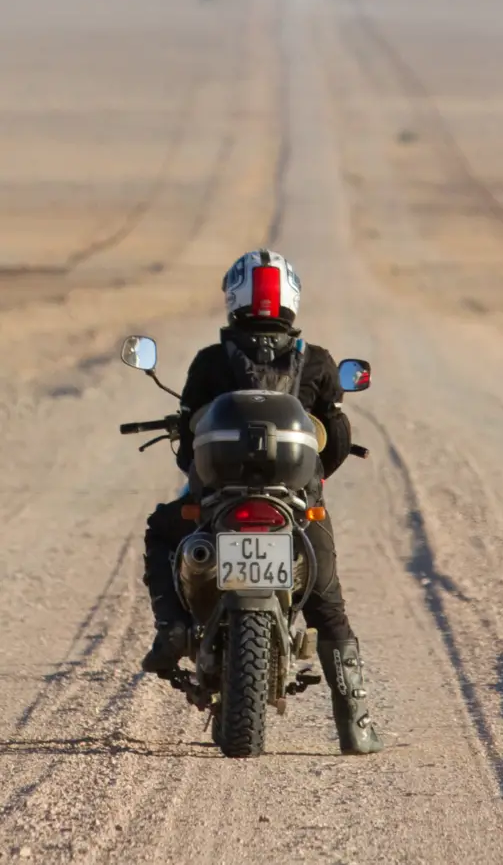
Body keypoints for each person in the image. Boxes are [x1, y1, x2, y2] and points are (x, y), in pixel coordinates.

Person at [142, 249, 383, 755]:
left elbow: (188, 444)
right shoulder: (317, 361)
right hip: (292, 502)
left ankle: (170, 629)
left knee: (164, 531)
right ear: (291, 297)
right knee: (326, 602)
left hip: (217, 501)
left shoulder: (210, 361)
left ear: (233, 295)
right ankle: (356, 726)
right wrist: (310, 485)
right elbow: (335, 439)